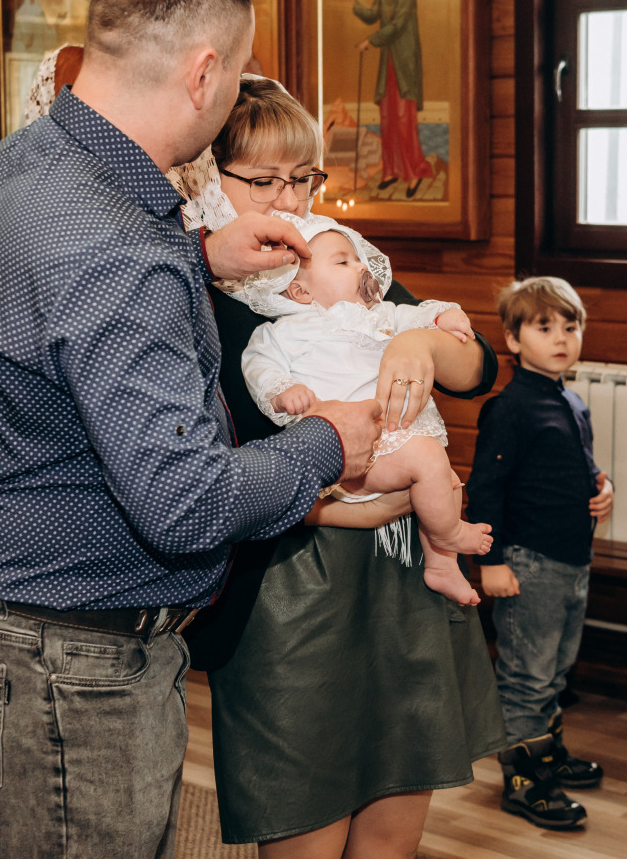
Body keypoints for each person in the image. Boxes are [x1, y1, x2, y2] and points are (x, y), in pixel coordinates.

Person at [0, 0, 386, 859]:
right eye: (243, 68)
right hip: (75, 664)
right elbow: (185, 504)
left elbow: (61, 303)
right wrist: (328, 442)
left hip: (12, 624)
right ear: (204, 71)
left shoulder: (24, 162)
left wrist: (195, 256)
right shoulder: (116, 246)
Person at [172, 75, 506, 859]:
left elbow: (478, 365)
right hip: (286, 591)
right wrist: (340, 506)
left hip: (398, 580)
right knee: (305, 818)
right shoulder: (199, 296)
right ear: (206, 177)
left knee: (395, 816)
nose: (291, 201)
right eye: (263, 181)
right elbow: (197, 472)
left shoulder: (340, 267)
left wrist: (417, 343)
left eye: (305, 178)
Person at [239, 212, 493, 606]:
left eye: (358, 259)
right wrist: (282, 391)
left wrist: (444, 315)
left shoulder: (383, 315)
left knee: (442, 478)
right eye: (342, 261)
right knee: (430, 465)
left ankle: (442, 565)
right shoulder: (283, 332)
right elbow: (259, 364)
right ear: (300, 292)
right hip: (354, 453)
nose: (359, 266)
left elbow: (420, 315)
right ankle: (448, 535)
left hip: (397, 438)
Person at [466, 276, 614, 831]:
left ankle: (548, 752)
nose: (560, 337)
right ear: (512, 338)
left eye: (569, 326)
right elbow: (486, 488)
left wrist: (602, 488)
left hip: (572, 559)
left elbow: (577, 462)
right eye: (544, 326)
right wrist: (492, 560)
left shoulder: (570, 400)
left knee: (555, 670)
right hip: (529, 564)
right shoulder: (509, 408)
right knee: (527, 675)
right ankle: (525, 779)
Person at [342, 0, 434, 198]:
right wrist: (355, 3)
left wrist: (369, 42)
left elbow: (396, 27)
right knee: (388, 119)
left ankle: (413, 172)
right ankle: (392, 171)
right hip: (389, 64)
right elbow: (374, 15)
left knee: (405, 120)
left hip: (404, 63)